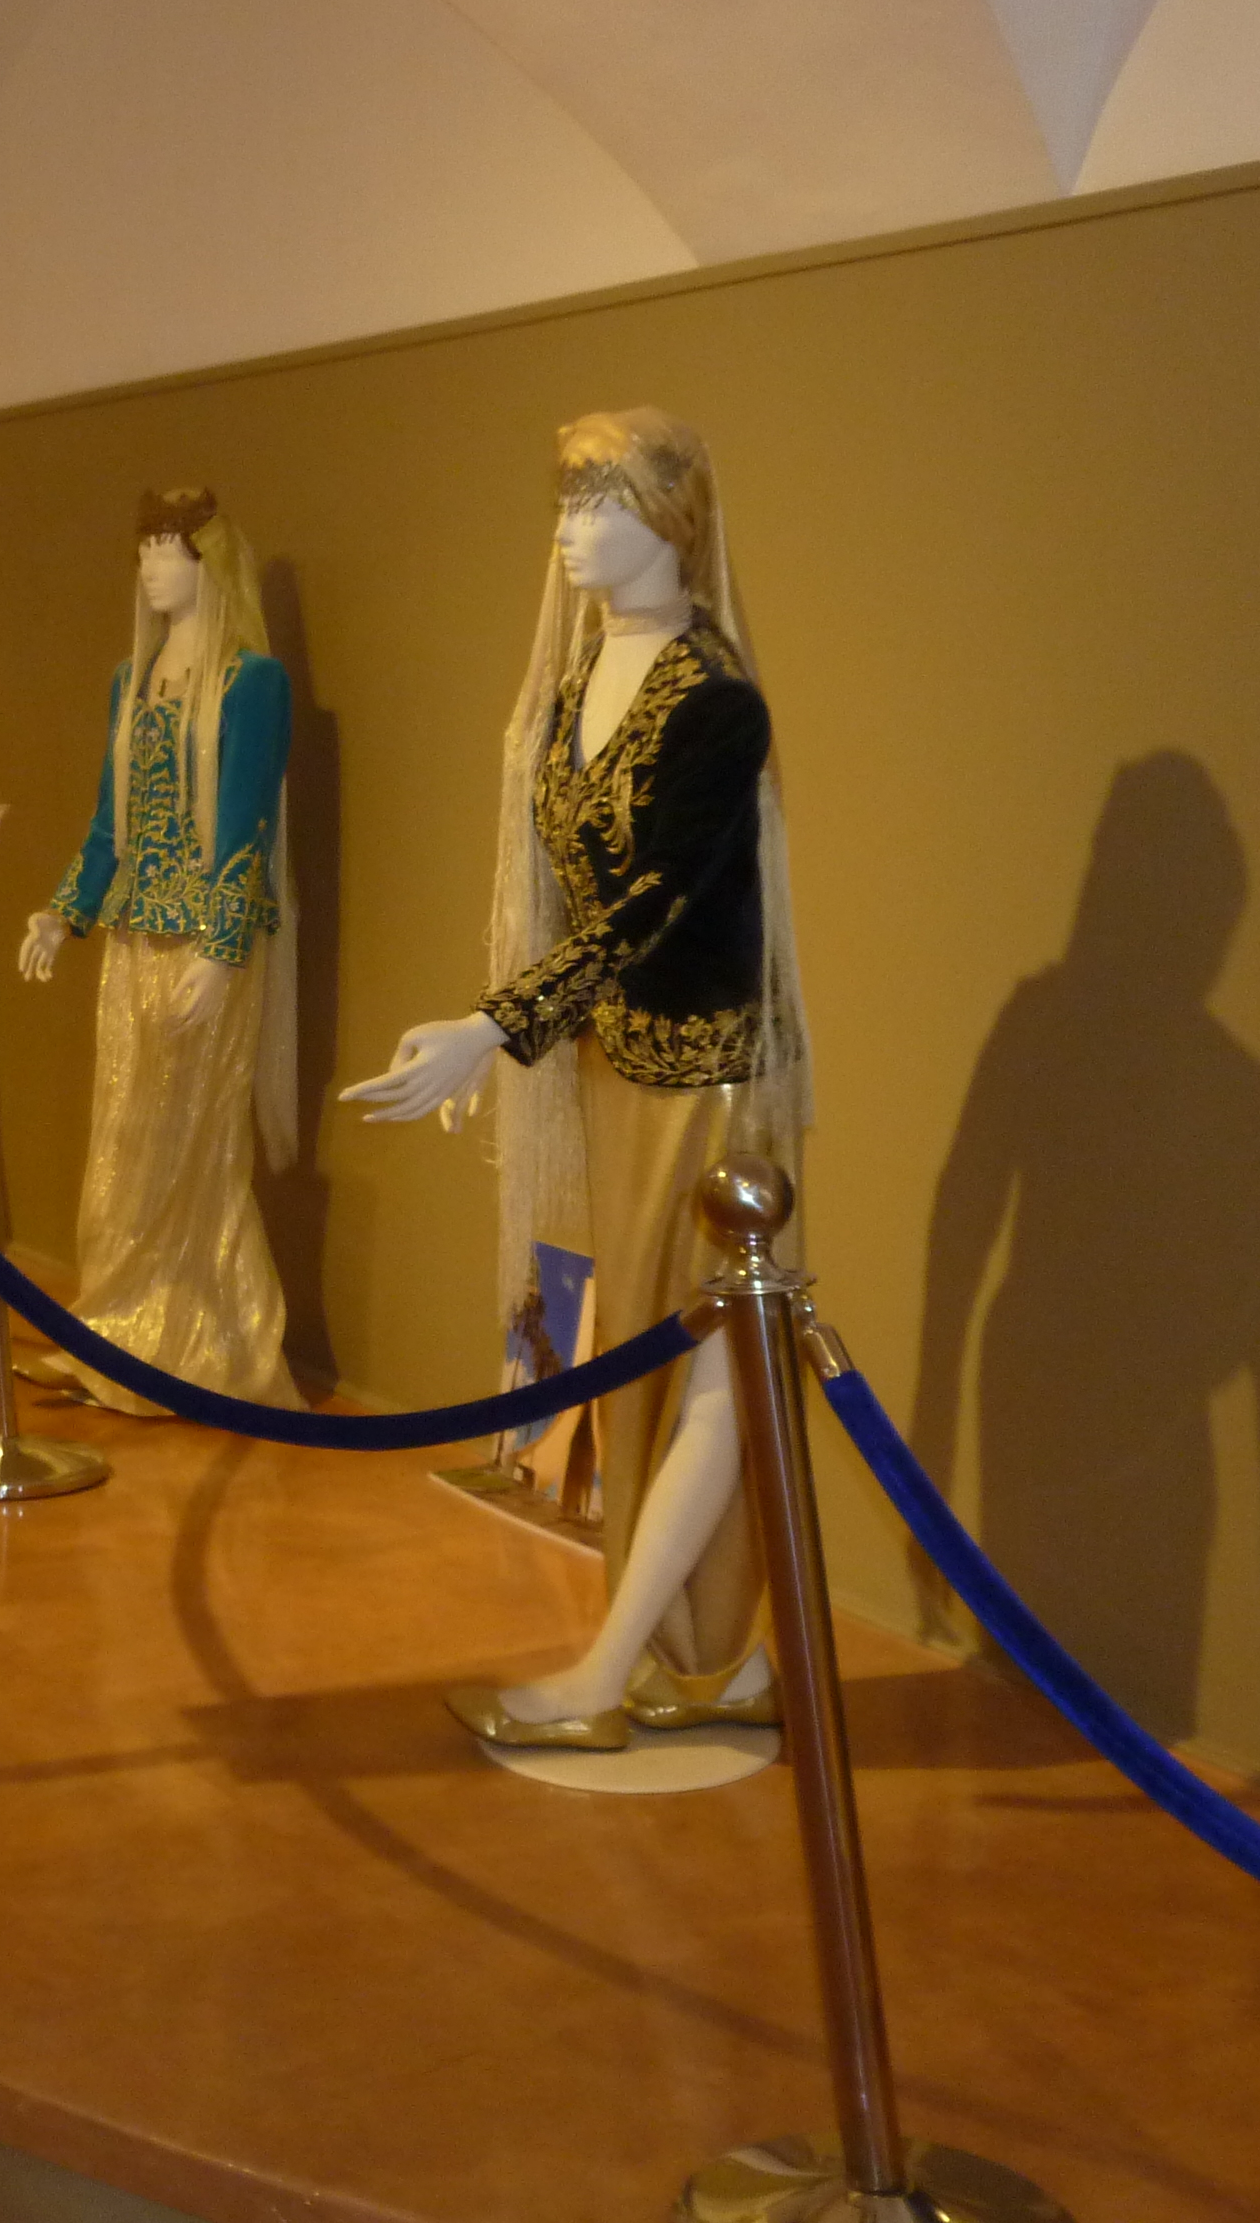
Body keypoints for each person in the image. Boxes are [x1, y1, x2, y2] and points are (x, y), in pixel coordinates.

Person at [345, 409, 813, 1752]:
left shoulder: (717, 703)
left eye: (597, 503)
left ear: (669, 519)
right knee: (638, 1361)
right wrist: (510, 1030)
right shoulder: (571, 690)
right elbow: (568, 902)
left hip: (714, 1083)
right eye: (564, 503)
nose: (568, 532)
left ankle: (609, 1677)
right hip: (619, 1067)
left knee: (713, 1367)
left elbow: (654, 903)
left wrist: (494, 1030)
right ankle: (707, 1663)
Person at [17, 487, 299, 1417]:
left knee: (193, 1149)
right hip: (135, 942)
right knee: (125, 1142)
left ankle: (201, 1351)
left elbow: (248, 824)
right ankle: (115, 1331)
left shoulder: (250, 682)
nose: (150, 567)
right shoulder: (130, 681)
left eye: (169, 550)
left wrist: (220, 951)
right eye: (143, 550)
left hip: (204, 952)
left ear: (209, 564)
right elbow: (112, 821)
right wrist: (64, 913)